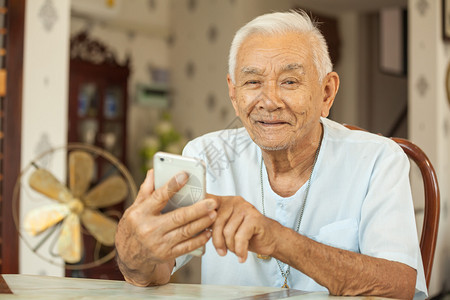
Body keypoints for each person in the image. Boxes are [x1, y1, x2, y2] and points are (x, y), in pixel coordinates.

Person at [115, 10, 427, 299]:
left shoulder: (378, 159)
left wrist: (278, 239)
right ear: (235, 95)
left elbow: (399, 286)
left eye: (290, 81)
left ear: (327, 93)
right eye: (253, 82)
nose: (269, 100)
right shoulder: (205, 155)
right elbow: (154, 272)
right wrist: (135, 247)